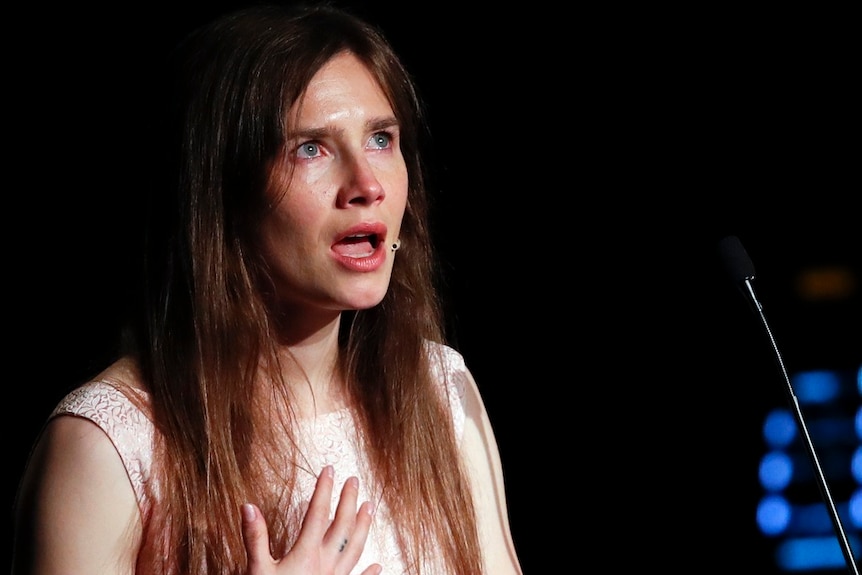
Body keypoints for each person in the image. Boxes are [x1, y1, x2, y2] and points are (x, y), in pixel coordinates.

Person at [11, 3, 523, 574]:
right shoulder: (110, 446)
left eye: (381, 138)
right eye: (311, 148)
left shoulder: (438, 391)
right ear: (221, 192)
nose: (367, 185)